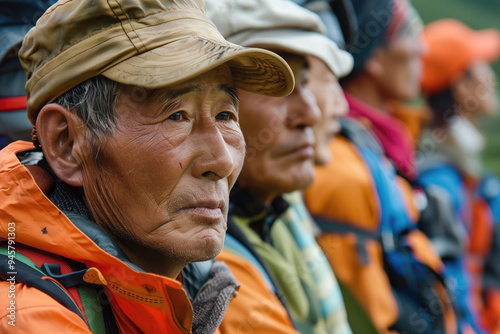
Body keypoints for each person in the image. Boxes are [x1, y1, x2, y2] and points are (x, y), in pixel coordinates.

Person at [0, 0, 296, 332]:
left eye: (225, 115)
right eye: (176, 116)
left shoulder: (216, 285)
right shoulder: (27, 317)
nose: (222, 162)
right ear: (68, 144)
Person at [304, 0, 459, 333]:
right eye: (408, 32)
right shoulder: (340, 165)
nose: (423, 46)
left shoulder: (387, 147)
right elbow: (370, 319)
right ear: (372, 56)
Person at [205, 0, 354, 333]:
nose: (311, 115)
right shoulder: (206, 264)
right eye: (277, 88)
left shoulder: (275, 209)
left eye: (304, 83)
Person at [418, 18, 500, 334]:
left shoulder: (459, 166)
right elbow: (452, 287)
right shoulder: (441, 179)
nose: (491, 77)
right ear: (461, 86)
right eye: (481, 66)